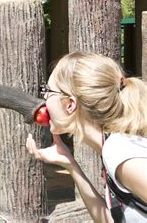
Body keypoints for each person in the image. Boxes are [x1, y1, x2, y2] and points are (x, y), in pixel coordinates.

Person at [26, 51, 147, 222]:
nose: (44, 97)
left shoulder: (119, 150)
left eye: (48, 91)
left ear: (70, 104)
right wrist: (70, 164)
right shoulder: (114, 146)